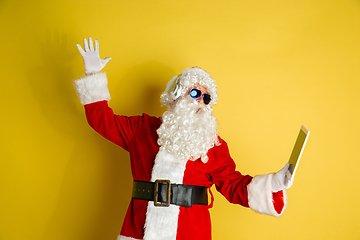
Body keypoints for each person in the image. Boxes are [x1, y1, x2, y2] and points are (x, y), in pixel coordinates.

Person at [73, 37, 293, 240]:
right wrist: (93, 74)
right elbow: (103, 121)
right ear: (176, 95)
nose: (200, 102)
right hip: (139, 232)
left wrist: (274, 183)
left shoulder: (213, 145)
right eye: (195, 93)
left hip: (191, 233)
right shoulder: (142, 129)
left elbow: (235, 186)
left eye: (206, 98)